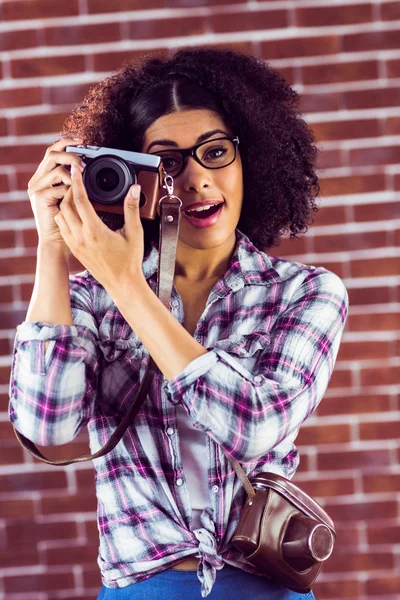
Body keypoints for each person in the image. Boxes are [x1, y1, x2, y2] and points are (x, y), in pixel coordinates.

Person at [9, 48, 348, 599]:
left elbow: (255, 428)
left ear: (251, 160)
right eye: (166, 163)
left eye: (215, 153)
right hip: (140, 587)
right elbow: (46, 429)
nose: (193, 180)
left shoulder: (305, 292)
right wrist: (53, 245)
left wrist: (127, 285)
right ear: (135, 179)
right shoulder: (89, 298)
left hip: (262, 585)